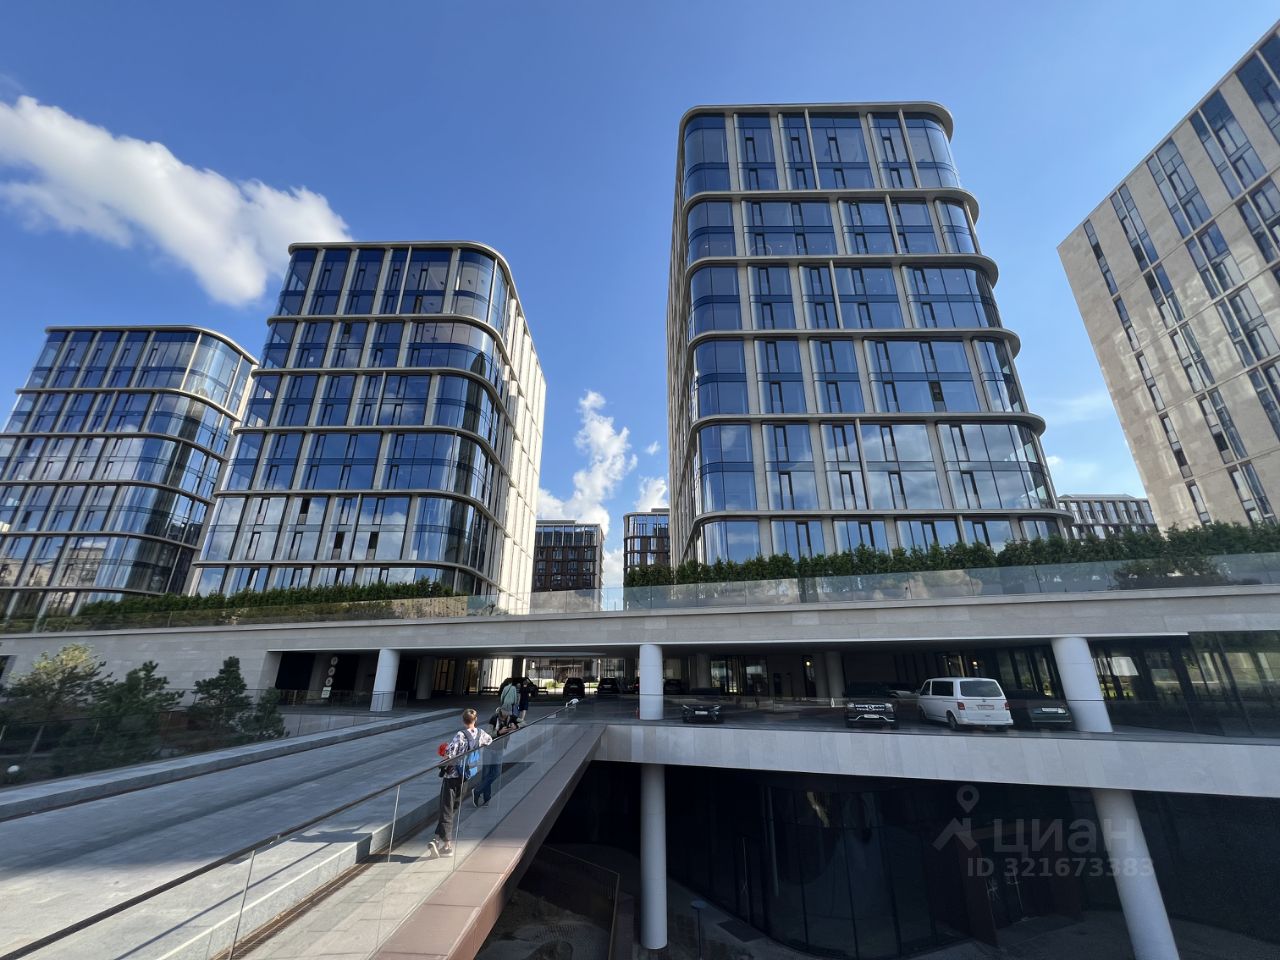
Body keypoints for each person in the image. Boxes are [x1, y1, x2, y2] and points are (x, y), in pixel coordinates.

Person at [429, 708, 492, 857]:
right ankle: (436, 839)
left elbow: (450, 754)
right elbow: (489, 740)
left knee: (446, 808)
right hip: (466, 775)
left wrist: (445, 752)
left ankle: (447, 846)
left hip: (452, 776)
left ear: (463, 720)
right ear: (475, 720)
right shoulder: (481, 733)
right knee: (453, 808)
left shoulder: (460, 735)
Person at [473, 713, 516, 807]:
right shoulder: (493, 719)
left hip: (499, 750)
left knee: (496, 772)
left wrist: (515, 726)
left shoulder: (510, 719)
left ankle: (477, 790)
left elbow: (523, 723)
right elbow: (487, 735)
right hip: (489, 749)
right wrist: (499, 732)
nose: (504, 719)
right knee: (486, 774)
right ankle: (486, 798)